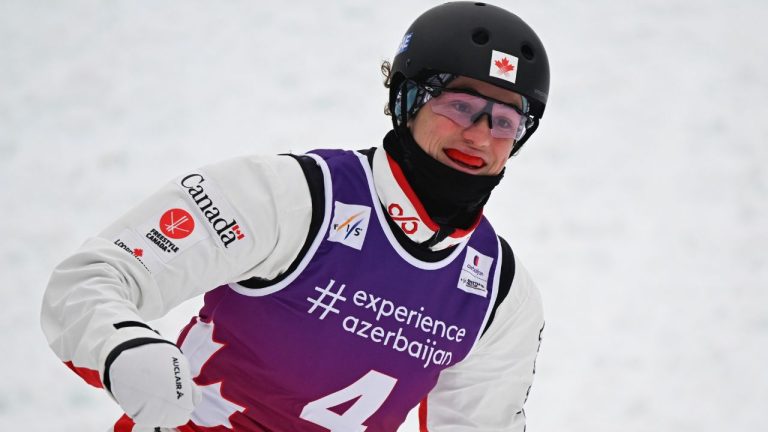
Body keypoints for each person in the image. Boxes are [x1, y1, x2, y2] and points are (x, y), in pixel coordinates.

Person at [41, 2, 550, 431]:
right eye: (460, 106)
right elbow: (91, 280)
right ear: (408, 100)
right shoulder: (293, 197)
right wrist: (122, 348)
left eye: (506, 120)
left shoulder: (500, 292)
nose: (479, 135)